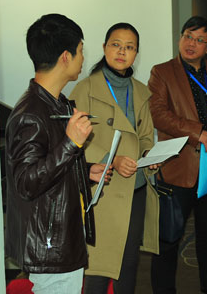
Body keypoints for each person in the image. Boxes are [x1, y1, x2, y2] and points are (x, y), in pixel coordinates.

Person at [5, 14, 107, 294]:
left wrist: (85, 170)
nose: (83, 58)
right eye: (81, 50)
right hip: (49, 245)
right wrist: (71, 144)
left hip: (60, 235)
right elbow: (26, 182)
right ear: (65, 56)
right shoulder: (30, 114)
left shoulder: (55, 103)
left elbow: (48, 163)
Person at [148, 16, 207, 294]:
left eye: (200, 40)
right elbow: (158, 113)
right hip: (180, 166)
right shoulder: (162, 72)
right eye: (188, 36)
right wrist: (197, 132)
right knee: (169, 236)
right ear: (180, 38)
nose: (191, 44)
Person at [70, 23, 159, 294]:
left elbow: (146, 137)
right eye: (116, 45)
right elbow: (74, 143)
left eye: (129, 47)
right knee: (99, 267)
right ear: (104, 47)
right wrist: (114, 159)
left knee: (129, 264)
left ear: (136, 54)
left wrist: (149, 155)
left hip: (135, 189)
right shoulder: (85, 89)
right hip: (102, 188)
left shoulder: (141, 91)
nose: (122, 51)